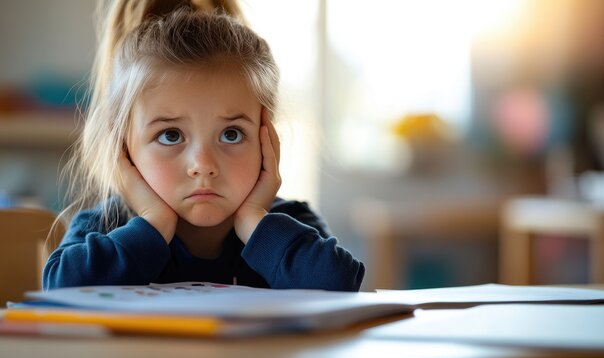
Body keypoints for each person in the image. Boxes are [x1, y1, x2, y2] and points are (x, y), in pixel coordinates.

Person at [43, 1, 365, 291]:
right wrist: (153, 223)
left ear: (267, 140)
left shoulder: (287, 224)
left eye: (232, 134)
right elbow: (60, 287)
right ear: (123, 148)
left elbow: (340, 283)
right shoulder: (105, 227)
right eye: (170, 135)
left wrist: (255, 220)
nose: (203, 163)